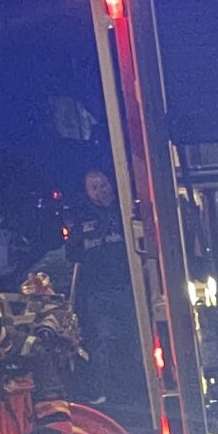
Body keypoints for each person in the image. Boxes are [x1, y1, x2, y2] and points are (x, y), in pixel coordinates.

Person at [65, 167, 130, 402]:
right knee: (103, 340)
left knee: (131, 337)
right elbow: (72, 254)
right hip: (98, 291)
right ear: (88, 193)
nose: (100, 191)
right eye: (94, 188)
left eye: (103, 185)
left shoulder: (125, 212)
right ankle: (101, 392)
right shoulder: (82, 219)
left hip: (128, 287)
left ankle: (132, 389)